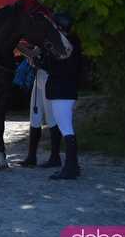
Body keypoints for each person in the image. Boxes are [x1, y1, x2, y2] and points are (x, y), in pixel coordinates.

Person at [45, 12, 82, 180]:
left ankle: (71, 167)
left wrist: (40, 62)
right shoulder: (72, 42)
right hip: (65, 90)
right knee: (65, 127)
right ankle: (72, 166)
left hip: (62, 91)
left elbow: (57, 68)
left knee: (66, 128)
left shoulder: (64, 45)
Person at [17, 43, 63, 169]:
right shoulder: (40, 38)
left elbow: (35, 54)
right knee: (34, 116)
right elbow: (33, 53)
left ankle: (55, 157)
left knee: (51, 117)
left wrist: (16, 44)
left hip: (49, 77)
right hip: (40, 77)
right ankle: (31, 156)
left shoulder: (49, 37)